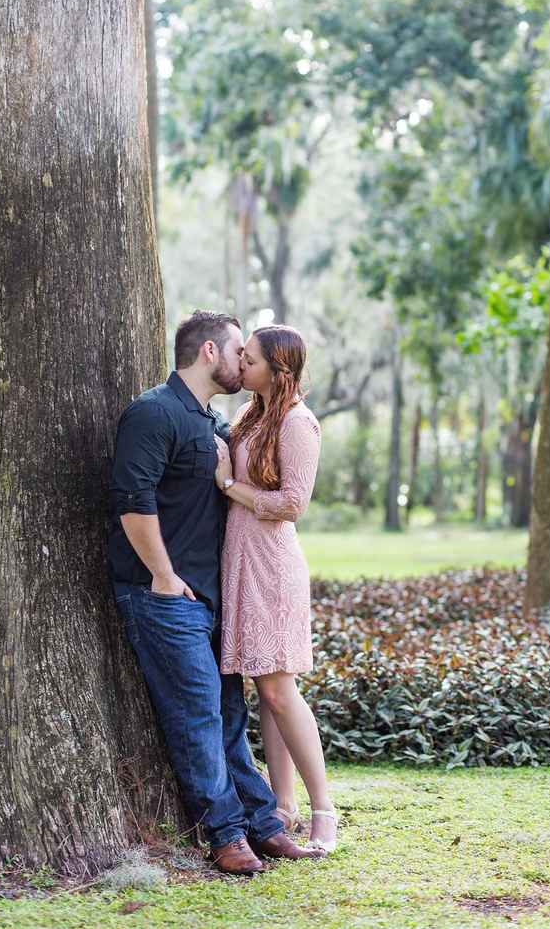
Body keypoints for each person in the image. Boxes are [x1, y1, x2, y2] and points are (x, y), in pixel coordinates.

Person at [109, 310, 323, 876]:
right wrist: (161, 575)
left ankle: (265, 823)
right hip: (165, 595)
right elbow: (133, 501)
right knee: (199, 714)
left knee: (228, 711)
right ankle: (226, 834)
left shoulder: (212, 423)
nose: (242, 364)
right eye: (238, 354)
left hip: (213, 595)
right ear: (209, 352)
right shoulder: (153, 413)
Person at [215, 324, 338, 853]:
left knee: (278, 690)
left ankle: (324, 811)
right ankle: (280, 807)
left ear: (277, 369)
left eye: (250, 359)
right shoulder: (250, 416)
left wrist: (229, 485)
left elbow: (293, 503)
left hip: (274, 566)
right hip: (241, 561)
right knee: (264, 690)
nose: (241, 365)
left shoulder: (297, 422)